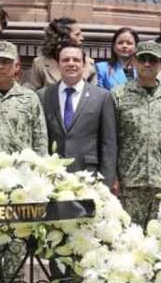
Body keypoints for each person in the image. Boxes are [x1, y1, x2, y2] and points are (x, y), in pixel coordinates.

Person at [112, 42, 161, 226]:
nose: (147, 64)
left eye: (152, 60)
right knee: (129, 237)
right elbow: (110, 139)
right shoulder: (119, 95)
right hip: (129, 183)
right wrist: (113, 176)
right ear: (134, 62)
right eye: (142, 59)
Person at [39, 45, 117, 187]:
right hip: (51, 178)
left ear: (84, 65)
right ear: (58, 65)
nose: (71, 64)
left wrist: (106, 183)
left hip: (88, 177)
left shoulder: (102, 97)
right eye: (66, 60)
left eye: (76, 60)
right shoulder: (44, 96)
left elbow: (108, 143)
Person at [0, 41, 48, 156]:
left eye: (6, 62)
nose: (0, 66)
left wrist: (40, 163)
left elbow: (40, 138)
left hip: (20, 165)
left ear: (17, 67)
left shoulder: (29, 97)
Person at [23, 17, 96, 90]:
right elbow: (31, 92)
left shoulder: (88, 64)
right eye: (77, 35)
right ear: (63, 38)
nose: (82, 38)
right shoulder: (40, 64)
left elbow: (95, 93)